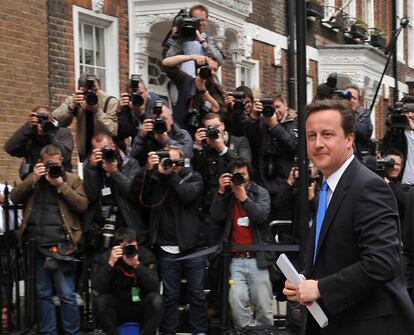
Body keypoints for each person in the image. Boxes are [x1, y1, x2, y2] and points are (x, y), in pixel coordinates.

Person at [283, 99, 414, 334]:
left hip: (367, 324)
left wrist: (321, 288)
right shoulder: (326, 187)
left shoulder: (368, 187)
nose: (318, 143)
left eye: (327, 134)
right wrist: (304, 282)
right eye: (311, 136)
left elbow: (382, 262)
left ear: (350, 139)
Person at [10, 145, 88, 335]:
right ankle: (48, 332)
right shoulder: (35, 179)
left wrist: (60, 184)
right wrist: (32, 178)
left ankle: (73, 332)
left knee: (67, 295)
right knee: (43, 295)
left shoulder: (72, 179)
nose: (53, 165)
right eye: (48, 162)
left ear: (62, 160)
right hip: (35, 246)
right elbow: (14, 197)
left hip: (62, 246)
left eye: (56, 161)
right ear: (41, 162)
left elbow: (82, 205)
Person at [142, 146, 208, 335]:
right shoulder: (158, 178)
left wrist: (170, 175)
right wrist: (150, 171)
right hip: (167, 247)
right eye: (167, 160)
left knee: (196, 294)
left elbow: (186, 195)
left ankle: (199, 331)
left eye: (174, 161)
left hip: (194, 247)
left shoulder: (194, 177)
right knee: (170, 296)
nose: (170, 164)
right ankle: (168, 331)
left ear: (182, 162)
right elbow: (144, 196)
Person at [210, 157, 274, 328]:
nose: (240, 179)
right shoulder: (228, 195)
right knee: (237, 305)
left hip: (258, 259)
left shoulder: (261, 193)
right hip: (235, 260)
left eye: (243, 175)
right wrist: (221, 193)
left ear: (250, 176)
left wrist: (244, 198)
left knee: (264, 308)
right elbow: (215, 217)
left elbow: (261, 216)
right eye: (236, 175)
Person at [83, 133, 147, 260]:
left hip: (126, 223)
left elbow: (133, 194)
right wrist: (91, 169)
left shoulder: (130, 164)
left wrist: (114, 172)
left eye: (105, 149)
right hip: (101, 224)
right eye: (98, 151)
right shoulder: (91, 166)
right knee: (101, 266)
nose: (102, 153)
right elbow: (90, 196)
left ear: (113, 146)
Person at [192, 113, 251, 243]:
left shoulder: (239, 141)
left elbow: (245, 165)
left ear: (223, 125)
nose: (214, 130)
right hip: (214, 203)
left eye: (217, 126)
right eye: (210, 128)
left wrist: (222, 149)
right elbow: (198, 173)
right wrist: (198, 147)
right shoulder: (205, 147)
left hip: (237, 200)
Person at [93, 227, 163, 335]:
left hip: (140, 304)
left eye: (133, 246)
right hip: (118, 306)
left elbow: (154, 287)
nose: (130, 249)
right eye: (126, 246)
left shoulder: (145, 255)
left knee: (157, 300)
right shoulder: (108, 256)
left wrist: (137, 265)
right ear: (117, 247)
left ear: (137, 244)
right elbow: (98, 288)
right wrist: (110, 264)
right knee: (101, 300)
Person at [53, 73, 118, 161]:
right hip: (87, 155)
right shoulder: (76, 99)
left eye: (95, 90)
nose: (92, 94)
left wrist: (97, 111)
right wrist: (71, 106)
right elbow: (55, 121)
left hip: (107, 153)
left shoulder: (109, 101)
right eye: (87, 91)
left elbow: (113, 131)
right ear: (80, 89)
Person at [5, 106, 73, 179]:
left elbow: (66, 157)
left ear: (52, 118)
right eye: (39, 119)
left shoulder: (63, 132)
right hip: (36, 180)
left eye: (46, 118)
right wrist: (27, 127)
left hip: (58, 178)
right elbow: (10, 149)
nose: (42, 122)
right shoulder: (29, 135)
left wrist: (49, 132)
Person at [162, 54, 224, 130]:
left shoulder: (214, 88)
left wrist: (203, 91)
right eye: (209, 68)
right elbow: (166, 63)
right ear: (199, 68)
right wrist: (192, 57)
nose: (212, 72)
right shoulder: (186, 81)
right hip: (179, 129)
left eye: (215, 70)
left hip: (200, 133)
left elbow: (216, 109)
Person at [163, 4, 224, 77]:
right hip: (181, 82)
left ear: (207, 21)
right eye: (196, 19)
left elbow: (220, 60)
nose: (200, 23)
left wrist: (202, 41)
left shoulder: (209, 40)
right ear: (190, 19)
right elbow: (167, 59)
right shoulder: (181, 38)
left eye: (203, 20)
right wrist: (175, 38)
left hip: (202, 82)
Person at [116, 78, 162, 151]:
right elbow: (123, 134)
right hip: (138, 152)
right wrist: (120, 111)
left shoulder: (158, 104)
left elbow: (159, 131)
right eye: (135, 95)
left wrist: (141, 114)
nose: (139, 97)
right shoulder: (129, 107)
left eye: (141, 93)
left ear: (147, 92)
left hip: (157, 150)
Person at [382, 96, 414, 185]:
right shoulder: (397, 131)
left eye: (413, 111)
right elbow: (388, 151)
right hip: (401, 183)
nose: (410, 115)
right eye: (407, 112)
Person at [343, 84, 373, 159]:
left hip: (356, 157)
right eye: (348, 98)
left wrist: (347, 115)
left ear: (358, 101)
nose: (351, 101)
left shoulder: (364, 114)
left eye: (354, 98)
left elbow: (364, 131)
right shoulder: (336, 113)